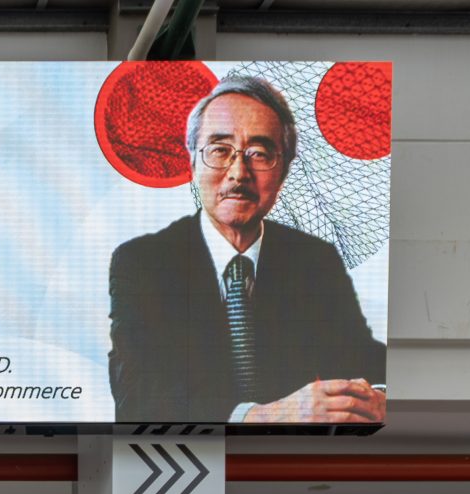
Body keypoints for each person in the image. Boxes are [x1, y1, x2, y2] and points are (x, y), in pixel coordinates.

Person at [107, 73, 387, 427]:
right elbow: (137, 394)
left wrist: (379, 396)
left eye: (258, 153)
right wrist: (261, 416)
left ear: (282, 173)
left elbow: (360, 355)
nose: (238, 172)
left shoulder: (315, 260)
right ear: (192, 164)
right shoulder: (142, 262)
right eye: (220, 150)